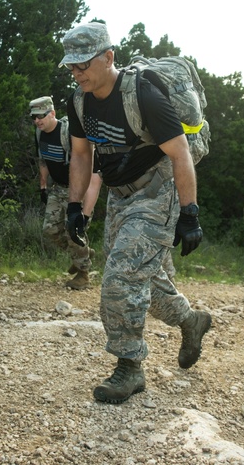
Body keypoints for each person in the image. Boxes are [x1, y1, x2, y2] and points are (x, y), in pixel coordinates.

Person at [61, 22, 212, 405]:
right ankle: (191, 321)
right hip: (119, 195)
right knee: (145, 277)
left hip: (156, 189)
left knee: (120, 278)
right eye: (71, 67)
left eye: (83, 65)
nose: (76, 73)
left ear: (108, 57)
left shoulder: (142, 94)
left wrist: (189, 213)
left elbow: (180, 154)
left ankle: (129, 367)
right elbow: (81, 154)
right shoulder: (79, 100)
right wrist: (75, 206)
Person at [31, 95, 102, 290]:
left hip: (77, 190)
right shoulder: (39, 134)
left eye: (40, 116)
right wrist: (43, 187)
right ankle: (81, 253)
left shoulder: (69, 132)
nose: (37, 121)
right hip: (58, 188)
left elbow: (92, 169)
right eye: (34, 118)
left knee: (74, 232)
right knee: (50, 230)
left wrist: (85, 210)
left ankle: (83, 274)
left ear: (52, 113)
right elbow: (43, 160)